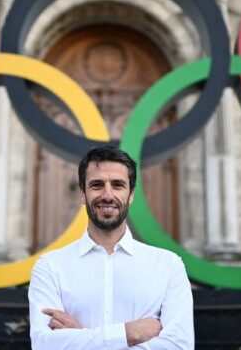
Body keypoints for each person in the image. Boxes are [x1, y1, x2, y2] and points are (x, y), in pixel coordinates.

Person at [28, 145, 194, 349]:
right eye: (97, 185)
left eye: (118, 185)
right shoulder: (50, 267)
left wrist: (80, 338)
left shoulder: (168, 266)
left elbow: (179, 346)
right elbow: (44, 345)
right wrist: (129, 333)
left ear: (131, 194)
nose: (107, 195)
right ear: (82, 194)